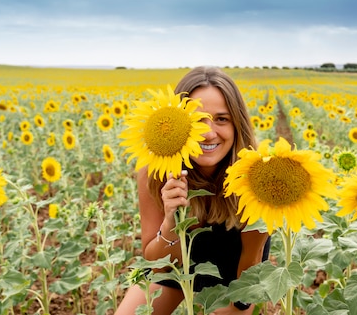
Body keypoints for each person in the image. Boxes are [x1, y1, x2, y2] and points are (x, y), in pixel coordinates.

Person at [116, 66, 270, 315]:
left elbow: (245, 287)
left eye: (222, 119)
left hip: (233, 274)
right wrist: (170, 222)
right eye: (197, 120)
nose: (208, 133)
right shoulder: (155, 171)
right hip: (175, 265)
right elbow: (157, 265)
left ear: (237, 124)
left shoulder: (253, 178)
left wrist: (259, 235)